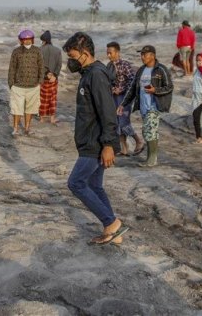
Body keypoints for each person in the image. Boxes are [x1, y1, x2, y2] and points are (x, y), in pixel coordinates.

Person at [62, 31, 129, 245]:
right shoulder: (89, 73)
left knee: (76, 183)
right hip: (91, 140)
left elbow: (108, 112)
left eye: (73, 57)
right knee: (95, 185)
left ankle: (112, 222)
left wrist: (109, 144)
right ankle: (112, 233)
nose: (71, 62)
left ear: (85, 53)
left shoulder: (96, 75)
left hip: (95, 142)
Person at [118, 45, 173, 167]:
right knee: (150, 131)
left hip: (155, 106)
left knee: (148, 131)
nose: (142, 57)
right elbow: (132, 89)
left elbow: (169, 87)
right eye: (141, 54)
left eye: (145, 54)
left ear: (152, 55)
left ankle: (152, 159)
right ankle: (151, 157)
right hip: (143, 107)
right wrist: (123, 104)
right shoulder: (141, 70)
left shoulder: (161, 69)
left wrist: (155, 90)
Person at [106, 42, 144, 156]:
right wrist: (113, 89)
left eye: (110, 53)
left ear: (117, 52)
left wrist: (120, 89)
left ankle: (138, 141)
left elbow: (132, 81)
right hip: (114, 97)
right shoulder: (109, 66)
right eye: (107, 53)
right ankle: (124, 148)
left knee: (123, 121)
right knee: (118, 122)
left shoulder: (125, 65)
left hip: (124, 97)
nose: (108, 55)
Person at [8, 29, 44, 136]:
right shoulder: (16, 51)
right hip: (18, 86)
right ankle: (15, 129)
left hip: (33, 86)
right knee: (16, 109)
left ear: (32, 40)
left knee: (30, 108)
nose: (27, 42)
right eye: (24, 39)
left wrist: (40, 81)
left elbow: (41, 66)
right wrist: (11, 83)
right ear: (21, 40)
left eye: (29, 39)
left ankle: (27, 128)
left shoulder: (37, 51)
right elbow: (12, 68)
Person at [39, 30, 62, 125]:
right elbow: (59, 65)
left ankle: (41, 118)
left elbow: (39, 65)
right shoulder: (57, 50)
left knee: (42, 98)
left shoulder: (39, 50)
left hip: (43, 78)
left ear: (44, 41)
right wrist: (54, 75)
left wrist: (46, 74)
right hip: (53, 78)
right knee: (52, 98)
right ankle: (52, 118)